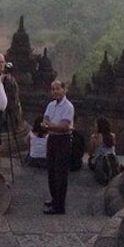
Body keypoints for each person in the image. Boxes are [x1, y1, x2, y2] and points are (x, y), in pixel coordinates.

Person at [42, 80, 74, 215]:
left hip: (63, 139)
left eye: (58, 89)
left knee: (60, 173)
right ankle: (55, 199)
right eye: (53, 89)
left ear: (64, 90)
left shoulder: (68, 106)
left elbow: (64, 126)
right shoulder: (51, 105)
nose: (55, 91)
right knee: (51, 171)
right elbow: (44, 120)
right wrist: (51, 126)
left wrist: (49, 126)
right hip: (52, 139)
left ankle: (60, 205)